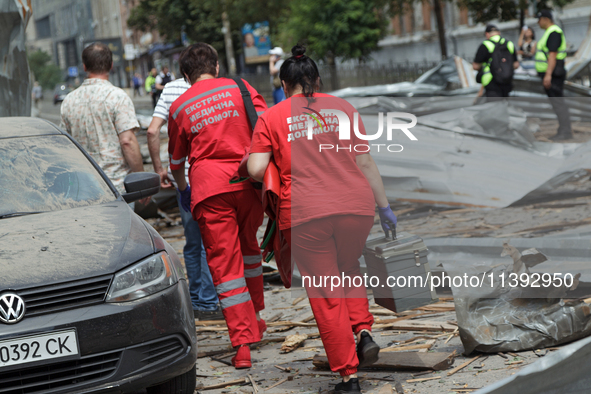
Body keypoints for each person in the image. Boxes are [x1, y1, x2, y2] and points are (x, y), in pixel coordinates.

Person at [247, 45, 397, 394]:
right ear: (316, 80)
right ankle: (363, 331)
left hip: (305, 214)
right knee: (348, 268)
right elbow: (365, 163)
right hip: (355, 209)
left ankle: (348, 376)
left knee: (327, 292)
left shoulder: (272, 116)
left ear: (285, 85)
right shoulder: (343, 108)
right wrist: (385, 207)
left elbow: (255, 169)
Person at [167, 43, 268, 369]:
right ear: (217, 66)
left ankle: (241, 345)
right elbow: (267, 128)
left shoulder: (180, 106)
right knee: (250, 252)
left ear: (185, 75)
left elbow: (176, 160)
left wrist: (183, 189)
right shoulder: (241, 87)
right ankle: (256, 319)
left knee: (225, 268)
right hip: (248, 182)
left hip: (210, 191)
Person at [147, 76, 223, 321]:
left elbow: (152, 130)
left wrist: (160, 169)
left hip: (183, 178)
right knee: (209, 242)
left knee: (192, 242)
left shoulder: (170, 89)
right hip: (210, 176)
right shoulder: (218, 88)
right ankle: (210, 301)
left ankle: (198, 297)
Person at [536, 9, 573, 141]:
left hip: (554, 73)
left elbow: (552, 56)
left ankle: (565, 131)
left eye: (539, 19)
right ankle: (562, 130)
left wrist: (548, 75)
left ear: (546, 19)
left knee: (558, 103)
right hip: (553, 73)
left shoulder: (554, 32)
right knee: (557, 103)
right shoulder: (549, 33)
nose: (538, 22)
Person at [472, 24, 519, 98]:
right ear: (499, 33)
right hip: (507, 81)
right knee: (505, 104)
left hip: (491, 81)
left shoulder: (485, 45)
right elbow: (516, 65)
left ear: (487, 34)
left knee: (494, 106)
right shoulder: (509, 44)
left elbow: (475, 66)